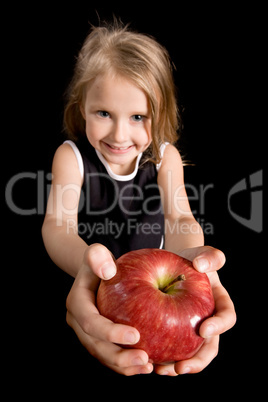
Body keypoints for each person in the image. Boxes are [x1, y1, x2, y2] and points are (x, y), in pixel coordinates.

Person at [42, 21, 236, 376]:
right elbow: (58, 225)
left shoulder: (165, 158)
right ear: (81, 105)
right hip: (95, 290)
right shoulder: (71, 157)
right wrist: (88, 263)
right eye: (103, 114)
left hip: (155, 288)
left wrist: (190, 266)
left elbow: (179, 220)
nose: (120, 134)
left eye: (138, 117)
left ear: (159, 114)